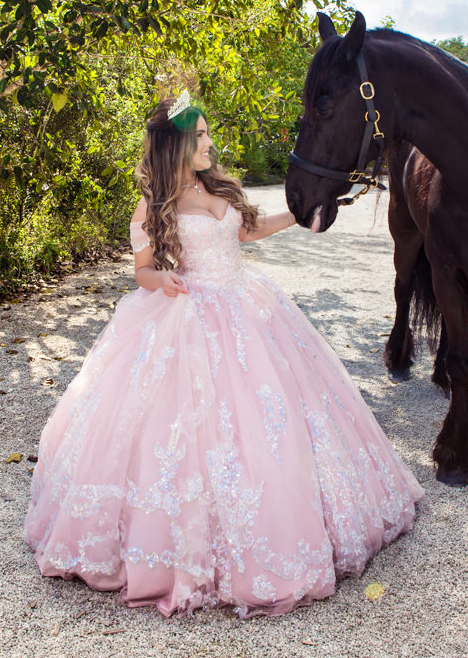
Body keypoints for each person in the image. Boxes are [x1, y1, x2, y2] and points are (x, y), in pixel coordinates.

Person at [25, 95, 423, 618]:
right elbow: (141, 270)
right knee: (186, 434)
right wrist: (158, 279)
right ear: (177, 147)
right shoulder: (153, 205)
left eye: (210, 135)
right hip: (188, 315)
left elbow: (248, 231)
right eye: (202, 137)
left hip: (248, 306)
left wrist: (301, 215)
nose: (211, 143)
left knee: (280, 415)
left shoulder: (219, 186)